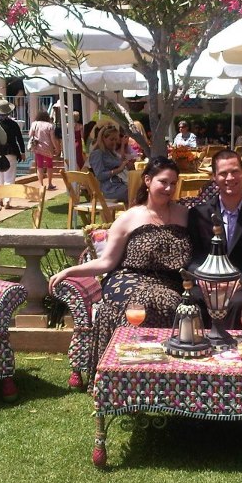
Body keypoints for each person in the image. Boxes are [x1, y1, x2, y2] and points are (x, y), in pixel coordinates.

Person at [49, 157, 190, 388]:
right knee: (146, 301)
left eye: (173, 183)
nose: (169, 188)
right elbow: (106, 262)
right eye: (163, 182)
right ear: (147, 180)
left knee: (169, 300)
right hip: (127, 279)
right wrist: (70, 270)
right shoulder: (129, 217)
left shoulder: (185, 215)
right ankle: (124, 378)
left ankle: (164, 378)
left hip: (169, 282)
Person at [188, 150, 242, 328]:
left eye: (235, 171)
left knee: (237, 303)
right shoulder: (199, 214)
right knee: (193, 300)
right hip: (208, 285)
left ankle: (230, 353)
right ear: (214, 177)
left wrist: (240, 282)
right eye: (223, 173)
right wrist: (202, 279)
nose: (230, 177)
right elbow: (192, 254)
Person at [0, 99, 26, 209]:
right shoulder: (13, 124)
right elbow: (19, 139)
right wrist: (22, 152)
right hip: (11, 152)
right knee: (9, 178)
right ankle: (7, 200)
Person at [89, 123, 132, 203]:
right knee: (137, 193)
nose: (114, 142)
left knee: (140, 190)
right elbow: (100, 175)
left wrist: (127, 165)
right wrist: (119, 169)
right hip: (109, 190)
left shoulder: (110, 152)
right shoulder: (97, 153)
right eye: (111, 139)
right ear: (103, 139)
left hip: (119, 186)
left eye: (116, 139)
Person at [28, 110, 58, 191]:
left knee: (40, 165)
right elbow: (52, 138)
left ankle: (41, 184)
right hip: (48, 147)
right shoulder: (50, 126)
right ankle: (49, 183)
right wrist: (56, 147)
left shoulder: (34, 124)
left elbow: (30, 134)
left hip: (37, 146)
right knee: (49, 165)